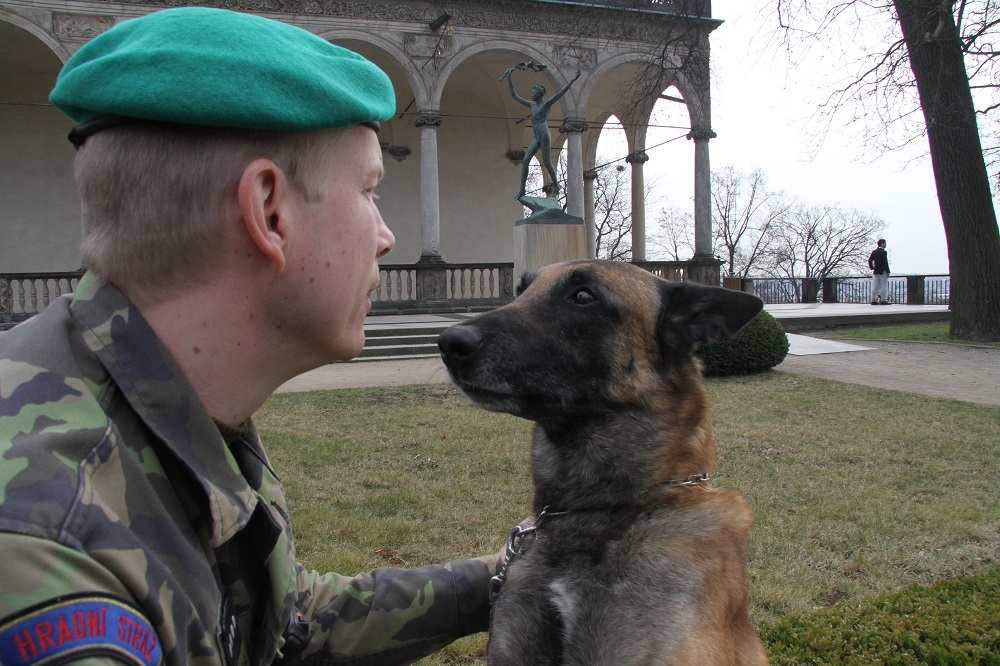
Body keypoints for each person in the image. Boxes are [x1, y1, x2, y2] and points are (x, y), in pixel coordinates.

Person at [0, 8, 499, 665]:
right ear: (269, 210)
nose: (386, 236)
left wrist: (504, 573)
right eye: (370, 191)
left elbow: (278, 625)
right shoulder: (50, 541)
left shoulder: (153, 394)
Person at [503, 63, 581, 201]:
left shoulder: (545, 104)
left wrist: (573, 80)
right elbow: (514, 96)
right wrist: (509, 78)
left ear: (539, 93)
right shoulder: (532, 105)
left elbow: (560, 93)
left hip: (544, 134)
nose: (532, 94)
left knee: (547, 162)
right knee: (526, 161)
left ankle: (556, 186)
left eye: (534, 92)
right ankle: (522, 189)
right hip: (536, 136)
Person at [868, 238, 891, 305]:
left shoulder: (874, 252)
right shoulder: (883, 252)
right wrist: (888, 271)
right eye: (885, 243)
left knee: (875, 286)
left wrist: (872, 267)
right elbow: (885, 263)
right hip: (882, 271)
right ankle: (883, 300)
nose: (885, 244)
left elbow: (870, 260)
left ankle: (873, 300)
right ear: (882, 243)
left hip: (876, 271)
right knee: (884, 285)